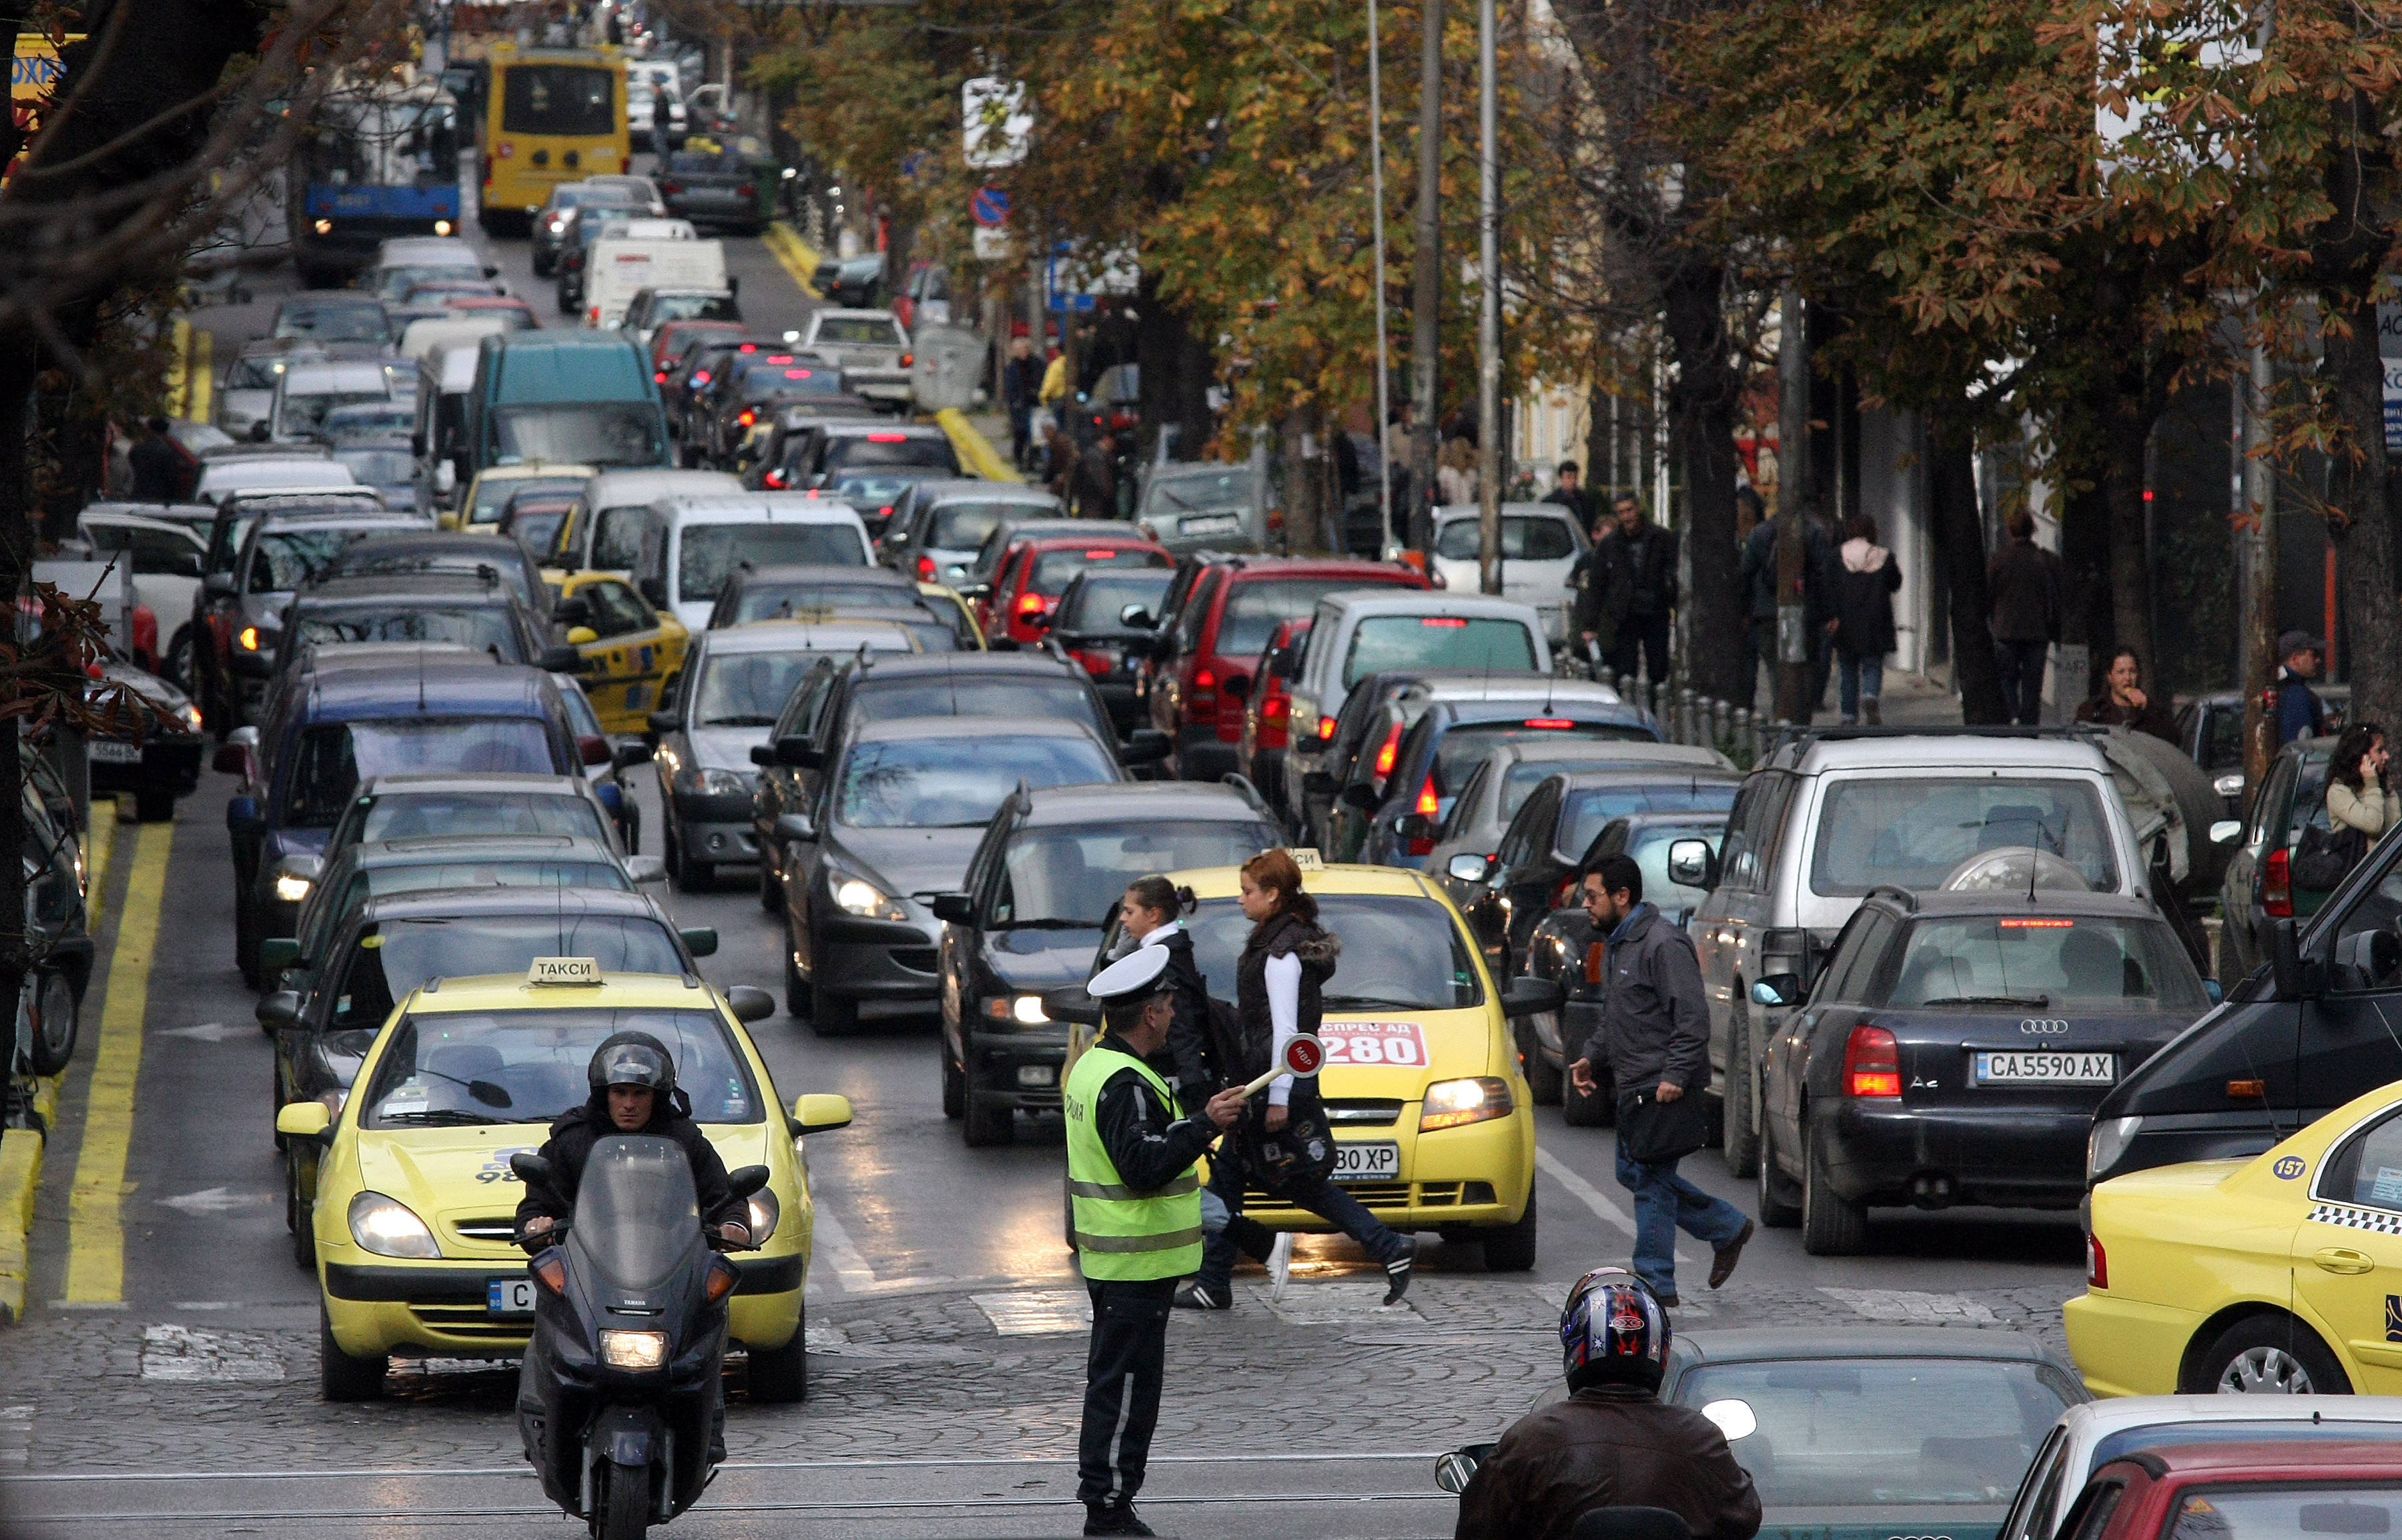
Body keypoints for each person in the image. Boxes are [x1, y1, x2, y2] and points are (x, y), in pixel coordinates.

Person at [1178, 849, 1415, 1311]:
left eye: (1248, 891)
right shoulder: (1281, 940)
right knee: (1245, 1174)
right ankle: (1214, 1280)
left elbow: (1288, 1030)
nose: (1241, 899)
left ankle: (1387, 1246)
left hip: (1275, 1081)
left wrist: (1279, 1098)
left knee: (1283, 1179)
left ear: (1273, 895)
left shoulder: (1281, 953)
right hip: (1273, 1078)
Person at [1064, 945, 1248, 1537]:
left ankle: (1112, 1502)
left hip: (1124, 1260)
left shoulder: (1099, 1066)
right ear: (1150, 1012)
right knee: (1123, 1389)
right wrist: (1204, 1126)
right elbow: (1141, 1165)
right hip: (1132, 1262)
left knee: (1120, 1382)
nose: (1173, 1016)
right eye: (1168, 1006)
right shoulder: (1124, 1081)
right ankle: (1109, 1509)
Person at [1567, 855, 1751, 1306]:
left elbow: (1692, 1018)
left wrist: (1675, 1075)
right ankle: (1725, 1227)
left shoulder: (1662, 944)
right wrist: (1591, 1057)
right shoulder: (1618, 944)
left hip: (1661, 1088)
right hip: (1634, 1085)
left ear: (1622, 896)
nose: (1586, 905)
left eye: (1592, 896)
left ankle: (1656, 1285)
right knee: (1632, 1171)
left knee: (1650, 1181)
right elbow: (1617, 1016)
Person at [1455, 1269, 1761, 1540]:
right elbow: (1745, 1520)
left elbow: (1478, 1526)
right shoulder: (1700, 1438)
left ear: (1576, 1348)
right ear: (1659, 1352)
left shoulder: (1530, 1440)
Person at [514, 1033, 750, 1248]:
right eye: (619, 1092)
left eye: (640, 1093)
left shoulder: (683, 1137)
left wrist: (734, 1225)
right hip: (585, 1267)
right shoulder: (572, 1138)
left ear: (657, 1097)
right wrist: (535, 1225)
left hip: (671, 1262)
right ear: (603, 1094)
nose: (629, 1104)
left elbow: (723, 1195)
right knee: (551, 1285)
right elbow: (538, 1203)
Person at [1735, 500, 1834, 717]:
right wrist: (1829, 612)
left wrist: (1745, 611)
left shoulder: (1759, 534)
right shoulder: (1812, 533)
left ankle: (1782, 719)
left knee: (1776, 672)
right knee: (1806, 671)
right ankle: (1801, 719)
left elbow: (1745, 574)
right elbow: (1824, 576)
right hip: (1805, 614)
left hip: (1767, 614)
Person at [1582, 494, 1678, 687]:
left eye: (1629, 510)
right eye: (1621, 513)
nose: (1626, 517)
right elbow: (1597, 584)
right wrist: (1590, 625)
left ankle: (1653, 708)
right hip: (1625, 614)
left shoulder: (1661, 538)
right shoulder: (1610, 544)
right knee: (1625, 671)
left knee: (1658, 669)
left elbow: (1675, 573)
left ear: (1638, 509)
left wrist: (1672, 601)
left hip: (1655, 611)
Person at [1986, 510, 2061, 726]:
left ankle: (2013, 717)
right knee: (2033, 685)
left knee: (2006, 679)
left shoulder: (2000, 560)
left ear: (2010, 532)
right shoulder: (2045, 560)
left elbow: (1988, 593)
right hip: (2038, 632)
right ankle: (2029, 728)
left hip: (2006, 630)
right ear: (2033, 530)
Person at [1832, 512, 1902, 726]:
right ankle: (1870, 695)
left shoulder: (1837, 556)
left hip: (1846, 622)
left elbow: (1827, 586)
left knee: (1848, 668)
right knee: (1872, 664)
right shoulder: (1884, 556)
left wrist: (1830, 615)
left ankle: (1848, 714)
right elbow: (1896, 583)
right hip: (1876, 621)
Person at [2074, 647, 2175, 742]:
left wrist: (2147, 707)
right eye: (2121, 672)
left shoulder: (2151, 707)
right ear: (2110, 676)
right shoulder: (2093, 709)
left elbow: (2173, 739)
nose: (2127, 677)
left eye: (2132, 671)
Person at [2327, 721, 2396, 853]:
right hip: (2366, 871)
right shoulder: (2339, 792)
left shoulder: (2384, 787)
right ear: (2361, 756)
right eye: (2379, 751)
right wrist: (2372, 785)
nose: (2386, 756)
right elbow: (2373, 824)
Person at [2276, 630, 2327, 745]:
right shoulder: (2296, 694)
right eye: (2313, 655)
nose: (2318, 660)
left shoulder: (2279, 687)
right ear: (2295, 659)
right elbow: (2301, 746)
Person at [1003, 336, 1043, 471]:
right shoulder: (1012, 367)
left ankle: (1032, 461)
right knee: (1020, 434)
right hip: (1019, 406)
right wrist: (1014, 401)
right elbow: (1009, 387)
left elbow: (1041, 379)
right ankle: (1019, 460)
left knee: (1035, 435)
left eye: (1026, 348)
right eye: (1020, 349)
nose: (1023, 351)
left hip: (1034, 404)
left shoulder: (1037, 364)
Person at [127, 416, 186, 503]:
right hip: (160, 500)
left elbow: (130, 474)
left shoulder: (138, 450)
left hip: (139, 497)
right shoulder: (168, 452)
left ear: (150, 430)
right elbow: (173, 480)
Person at [1074, 429, 1120, 519]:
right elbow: (1104, 485)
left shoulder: (1095, 455)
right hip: (1096, 510)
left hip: (1091, 507)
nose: (1114, 445)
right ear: (1106, 439)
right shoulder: (1096, 458)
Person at [1545, 460, 1596, 527]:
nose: (1573, 481)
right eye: (1569, 477)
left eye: (1575, 477)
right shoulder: (1550, 502)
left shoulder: (1586, 500)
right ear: (1561, 478)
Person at [1437, 436, 1478, 506]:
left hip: (1456, 511)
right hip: (1460, 511)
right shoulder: (1472, 473)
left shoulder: (1471, 473)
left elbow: (1442, 494)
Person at [650, 87, 672, 165]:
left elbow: (660, 112)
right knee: (660, 142)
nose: (653, 90)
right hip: (662, 123)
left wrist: (656, 120)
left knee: (659, 143)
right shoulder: (661, 97)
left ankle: (665, 162)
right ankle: (664, 162)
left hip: (661, 124)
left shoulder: (661, 98)